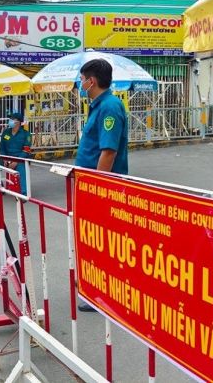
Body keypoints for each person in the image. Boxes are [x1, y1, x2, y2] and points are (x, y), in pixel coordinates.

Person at [75, 58, 128, 312]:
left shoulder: (109, 107)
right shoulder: (98, 105)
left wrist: (97, 187)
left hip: (102, 187)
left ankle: (103, 296)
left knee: (104, 241)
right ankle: (97, 289)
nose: (80, 83)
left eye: (82, 79)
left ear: (91, 81)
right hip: (90, 184)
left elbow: (108, 152)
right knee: (94, 239)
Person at [0, 112, 32, 196]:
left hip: (20, 159)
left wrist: (16, 161)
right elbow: (2, 147)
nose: (10, 121)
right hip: (7, 158)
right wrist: (4, 158)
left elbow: (26, 150)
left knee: (21, 169)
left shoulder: (26, 134)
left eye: (12, 119)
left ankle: (23, 193)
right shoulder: (6, 132)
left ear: (18, 122)